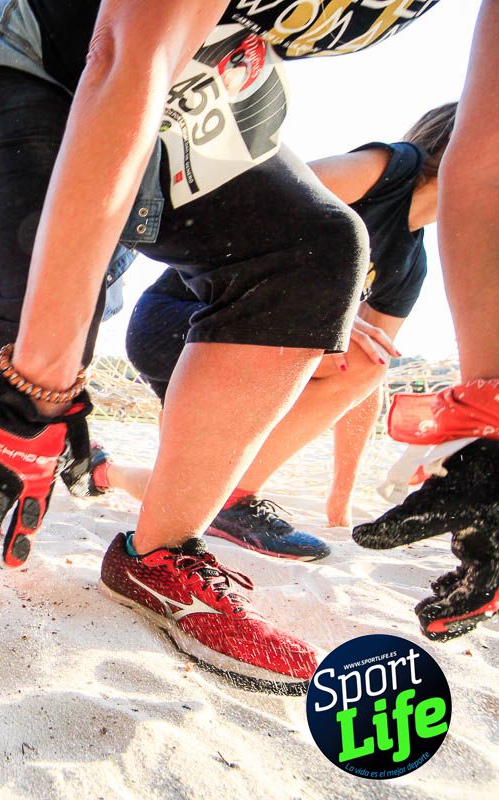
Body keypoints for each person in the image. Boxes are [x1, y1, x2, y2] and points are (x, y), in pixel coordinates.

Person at [0, 0, 477, 692]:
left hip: (191, 97)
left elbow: (483, 171)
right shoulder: (396, 166)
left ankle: (158, 555)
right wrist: (39, 379)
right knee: (34, 303)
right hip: (55, 55)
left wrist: (483, 416)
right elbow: (121, 57)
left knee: (319, 248)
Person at [76, 105, 455, 562]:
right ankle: (235, 500)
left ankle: (105, 471)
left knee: (189, 489)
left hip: (260, 344)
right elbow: (278, 208)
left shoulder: (412, 264)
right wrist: (333, 312)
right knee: (212, 486)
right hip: (188, 313)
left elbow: (365, 376)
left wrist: (341, 499)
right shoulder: (394, 169)